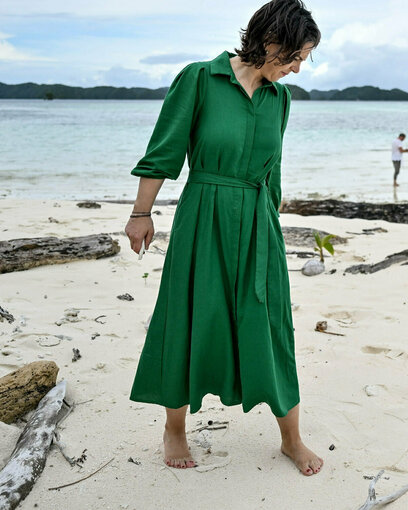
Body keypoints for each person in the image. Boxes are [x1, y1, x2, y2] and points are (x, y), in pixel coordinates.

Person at [123, 0, 323, 476]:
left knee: (271, 324)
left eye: (304, 60)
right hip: (203, 215)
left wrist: (270, 227)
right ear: (271, 41)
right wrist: (141, 213)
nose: (297, 68)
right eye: (295, 56)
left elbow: (273, 171)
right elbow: (164, 150)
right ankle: (174, 428)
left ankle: (291, 439)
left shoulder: (282, 98)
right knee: (191, 314)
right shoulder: (199, 79)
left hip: (258, 222)